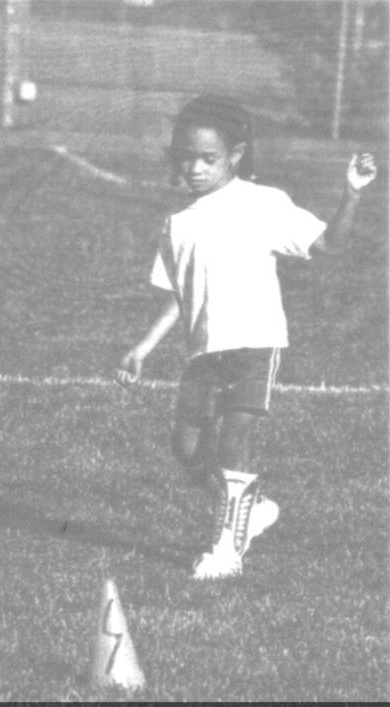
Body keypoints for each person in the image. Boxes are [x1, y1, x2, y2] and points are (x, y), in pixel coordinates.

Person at [116, 94, 377, 581]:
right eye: (186, 157)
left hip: (255, 344)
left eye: (208, 158)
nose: (195, 168)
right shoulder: (176, 224)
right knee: (188, 449)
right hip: (203, 353)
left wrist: (353, 193)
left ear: (235, 155)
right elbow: (178, 293)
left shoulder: (264, 203)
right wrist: (143, 347)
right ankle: (248, 511)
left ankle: (225, 550)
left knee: (235, 444)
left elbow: (326, 244)